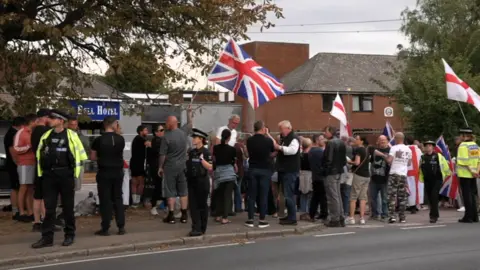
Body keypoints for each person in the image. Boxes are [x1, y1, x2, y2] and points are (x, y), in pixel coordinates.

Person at [32, 110, 88, 248]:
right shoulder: (46, 135)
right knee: (49, 208)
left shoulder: (72, 136)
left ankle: (69, 235)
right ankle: (47, 238)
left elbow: (81, 156)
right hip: (49, 176)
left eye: (53, 118)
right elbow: (39, 155)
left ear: (61, 121)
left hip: (66, 175)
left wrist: (75, 175)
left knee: (68, 208)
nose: (50, 120)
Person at [90, 116, 126, 236]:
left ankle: (105, 227)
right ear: (113, 124)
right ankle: (121, 226)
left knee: (105, 199)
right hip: (118, 171)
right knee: (118, 198)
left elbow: (93, 157)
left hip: (104, 171)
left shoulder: (98, 140)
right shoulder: (121, 139)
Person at [158, 116, 189, 224]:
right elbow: (190, 124)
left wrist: (160, 167)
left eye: (167, 122)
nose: (166, 124)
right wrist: (189, 113)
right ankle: (184, 215)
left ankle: (171, 215)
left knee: (170, 191)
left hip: (170, 167)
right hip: (183, 166)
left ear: (172, 123)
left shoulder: (166, 137)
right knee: (183, 191)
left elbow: (162, 154)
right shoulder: (183, 133)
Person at [377, 132, 412, 223]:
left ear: (396, 139)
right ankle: (402, 217)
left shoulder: (394, 148)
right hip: (403, 174)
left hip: (394, 173)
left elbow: (389, 160)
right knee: (402, 196)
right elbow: (409, 163)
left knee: (391, 196)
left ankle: (392, 216)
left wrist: (384, 156)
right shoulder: (408, 149)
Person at [245, 121, 274, 228]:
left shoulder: (249, 141)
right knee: (263, 195)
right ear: (263, 129)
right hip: (265, 170)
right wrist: (268, 135)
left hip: (252, 169)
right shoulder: (267, 141)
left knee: (252, 195)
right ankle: (262, 219)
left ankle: (250, 219)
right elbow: (273, 149)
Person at [186, 128, 212, 236]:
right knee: (193, 206)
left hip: (202, 181)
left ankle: (202, 228)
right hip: (192, 181)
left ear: (201, 139)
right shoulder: (192, 152)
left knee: (202, 205)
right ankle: (195, 227)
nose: (193, 139)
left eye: (195, 137)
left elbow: (210, 167)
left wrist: (202, 160)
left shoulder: (206, 152)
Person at [274, 120, 301, 226]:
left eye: (281, 129)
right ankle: (290, 215)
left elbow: (292, 150)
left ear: (287, 128)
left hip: (290, 170)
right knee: (286, 194)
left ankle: (292, 218)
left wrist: (280, 147)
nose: (280, 132)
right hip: (285, 170)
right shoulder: (286, 138)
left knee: (289, 194)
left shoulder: (294, 138)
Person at [13, 113, 37, 222]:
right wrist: (28, 147)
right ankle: (21, 212)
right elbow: (16, 148)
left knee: (31, 188)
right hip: (24, 163)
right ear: (32, 122)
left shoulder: (33, 132)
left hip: (33, 162)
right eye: (36, 121)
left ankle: (30, 211)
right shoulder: (21, 132)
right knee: (23, 187)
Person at [419, 140, 451, 223]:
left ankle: (433, 216)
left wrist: (445, 175)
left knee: (434, 197)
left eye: (430, 145)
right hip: (427, 180)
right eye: (427, 146)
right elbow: (420, 169)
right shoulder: (422, 157)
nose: (428, 147)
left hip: (437, 180)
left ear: (433, 147)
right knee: (430, 198)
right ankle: (435, 214)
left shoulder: (438, 156)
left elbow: (445, 166)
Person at [30, 109, 51, 231]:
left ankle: (36, 222)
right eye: (49, 117)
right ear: (45, 117)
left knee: (37, 195)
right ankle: (45, 220)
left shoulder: (34, 131)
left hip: (37, 165)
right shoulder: (46, 131)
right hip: (46, 166)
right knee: (45, 195)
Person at [322, 126, 347, 227]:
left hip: (331, 172)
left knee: (332, 196)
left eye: (325, 131)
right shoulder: (341, 142)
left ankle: (335, 218)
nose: (324, 133)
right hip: (339, 170)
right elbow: (343, 159)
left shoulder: (330, 143)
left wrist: (325, 170)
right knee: (337, 195)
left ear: (330, 132)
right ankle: (340, 217)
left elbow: (329, 159)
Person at [212, 129, 237, 224]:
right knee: (227, 196)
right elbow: (233, 162)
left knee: (219, 194)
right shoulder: (232, 149)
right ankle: (225, 217)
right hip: (229, 173)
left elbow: (214, 160)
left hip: (219, 173)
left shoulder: (216, 148)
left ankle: (218, 215)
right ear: (229, 137)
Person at [4, 116, 26, 221]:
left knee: (17, 187)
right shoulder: (12, 134)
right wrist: (18, 164)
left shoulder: (12, 132)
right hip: (14, 165)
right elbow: (13, 152)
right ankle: (15, 210)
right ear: (21, 125)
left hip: (14, 164)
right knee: (15, 187)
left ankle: (16, 209)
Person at [456, 127, 480, 223]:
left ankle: (468, 216)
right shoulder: (475, 145)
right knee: (473, 195)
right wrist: (476, 172)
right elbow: (478, 160)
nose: (460, 137)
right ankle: (475, 216)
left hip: (465, 174)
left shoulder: (463, 146)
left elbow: (463, 161)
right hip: (474, 174)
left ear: (463, 136)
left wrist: (471, 171)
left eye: (460, 135)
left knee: (467, 196)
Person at [346, 135, 370, 225]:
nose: (355, 140)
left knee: (353, 196)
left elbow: (357, 162)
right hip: (367, 175)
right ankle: (362, 218)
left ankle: (351, 218)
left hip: (359, 174)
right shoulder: (367, 149)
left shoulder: (359, 150)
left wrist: (348, 161)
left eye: (357, 139)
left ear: (361, 141)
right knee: (363, 197)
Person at [370, 135, 390, 220]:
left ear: (387, 141)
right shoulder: (375, 150)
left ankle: (384, 214)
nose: (382, 141)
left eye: (384, 140)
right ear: (378, 141)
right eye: (380, 140)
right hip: (374, 178)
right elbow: (371, 161)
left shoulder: (390, 150)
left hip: (385, 178)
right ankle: (375, 214)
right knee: (373, 198)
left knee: (384, 198)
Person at [308, 134, 328, 221]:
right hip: (321, 177)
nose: (324, 140)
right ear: (317, 141)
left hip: (315, 177)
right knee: (322, 197)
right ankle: (323, 214)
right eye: (322, 139)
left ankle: (312, 213)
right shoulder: (319, 151)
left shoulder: (311, 151)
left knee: (315, 196)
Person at [130, 125, 150, 207]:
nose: (147, 132)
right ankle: (137, 201)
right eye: (145, 130)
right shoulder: (140, 139)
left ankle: (134, 201)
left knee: (134, 182)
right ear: (141, 131)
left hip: (134, 163)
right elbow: (148, 144)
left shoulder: (136, 139)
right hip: (139, 164)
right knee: (141, 183)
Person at [68, 117, 90, 191]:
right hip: (67, 165)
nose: (73, 126)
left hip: (78, 165)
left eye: (75, 124)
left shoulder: (82, 137)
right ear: (68, 124)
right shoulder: (65, 135)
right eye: (71, 124)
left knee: (77, 187)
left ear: (77, 125)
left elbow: (87, 149)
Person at [147, 124, 165, 216]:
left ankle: (159, 205)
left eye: (163, 130)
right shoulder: (157, 141)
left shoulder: (159, 140)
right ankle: (154, 206)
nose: (163, 132)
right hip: (157, 168)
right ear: (156, 132)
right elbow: (160, 153)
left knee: (160, 187)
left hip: (159, 167)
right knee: (158, 187)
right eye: (161, 130)